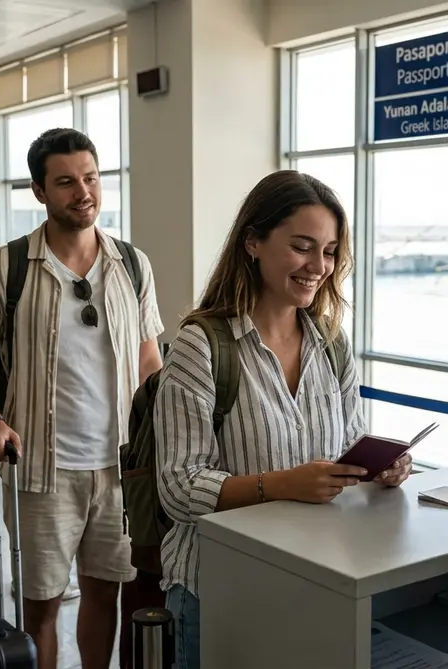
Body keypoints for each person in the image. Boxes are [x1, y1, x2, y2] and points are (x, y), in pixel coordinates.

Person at [153, 170, 414, 669]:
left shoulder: (332, 343)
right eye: (302, 247)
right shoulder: (202, 346)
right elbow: (178, 487)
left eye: (331, 251)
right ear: (253, 242)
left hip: (314, 581)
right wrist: (279, 485)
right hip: (220, 591)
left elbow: (351, 440)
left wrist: (383, 466)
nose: (319, 266)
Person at [0, 128, 165, 669]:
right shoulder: (4, 268)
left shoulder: (132, 265)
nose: (83, 192)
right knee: (41, 606)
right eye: (66, 181)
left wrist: (161, 429)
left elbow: (148, 359)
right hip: (40, 469)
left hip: (120, 469)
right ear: (39, 191)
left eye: (91, 178)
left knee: (106, 594)